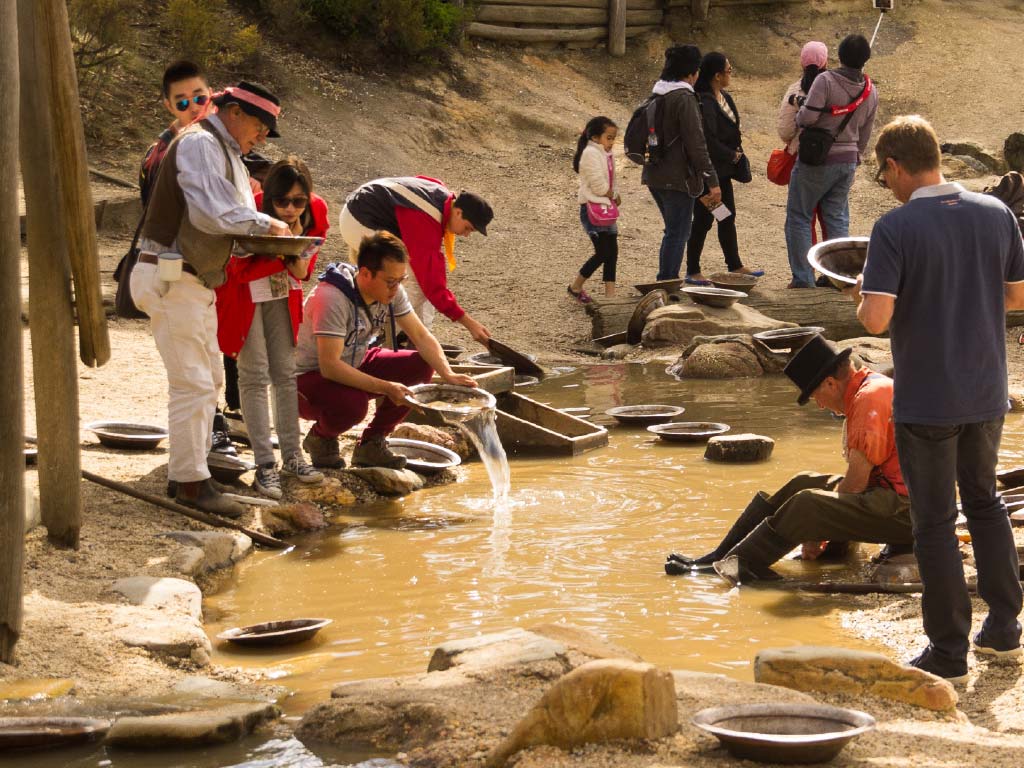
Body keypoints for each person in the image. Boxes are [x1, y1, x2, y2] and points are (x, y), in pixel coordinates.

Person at [854, 115, 1024, 682]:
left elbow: (875, 320)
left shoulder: (895, 227)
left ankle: (948, 652)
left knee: (933, 523)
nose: (887, 185)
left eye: (884, 176)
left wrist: (863, 296)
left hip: (928, 396)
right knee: (986, 504)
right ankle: (1004, 629)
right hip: (987, 389)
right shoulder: (997, 213)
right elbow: (1017, 297)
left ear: (895, 166)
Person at [131, 81, 290, 518]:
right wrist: (270, 226)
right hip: (171, 275)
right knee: (194, 383)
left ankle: (191, 472)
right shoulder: (201, 142)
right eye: (260, 126)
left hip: (194, 279)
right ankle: (190, 484)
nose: (262, 137)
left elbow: (226, 223)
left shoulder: (228, 153)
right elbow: (212, 214)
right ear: (234, 112)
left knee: (210, 380)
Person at [665, 335, 912, 583]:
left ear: (830, 383)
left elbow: (856, 484)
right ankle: (720, 557)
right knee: (802, 482)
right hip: (894, 498)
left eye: (815, 396)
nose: (820, 405)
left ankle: (741, 566)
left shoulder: (869, 397)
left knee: (808, 504)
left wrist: (817, 531)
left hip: (909, 514)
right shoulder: (869, 387)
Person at [294, 231, 479, 470]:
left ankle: (372, 443)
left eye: (401, 280)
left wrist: (448, 373)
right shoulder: (332, 298)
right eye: (390, 281)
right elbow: (330, 366)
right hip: (305, 379)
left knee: (421, 364)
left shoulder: (392, 291)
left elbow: (421, 335)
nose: (396, 288)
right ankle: (321, 438)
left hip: (354, 360)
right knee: (354, 404)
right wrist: (386, 387)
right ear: (365, 274)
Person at [215, 158, 327, 498]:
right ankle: (265, 462)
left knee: (284, 373)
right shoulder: (252, 210)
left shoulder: (315, 211)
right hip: (245, 296)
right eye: (282, 201)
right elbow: (236, 265)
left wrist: (289, 252)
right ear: (269, 197)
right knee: (253, 374)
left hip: (282, 293)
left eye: (298, 201)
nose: (290, 208)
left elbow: (304, 271)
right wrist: (278, 251)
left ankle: (292, 455)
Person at [337, 177, 494, 347]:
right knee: (416, 283)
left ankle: (416, 342)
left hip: (365, 207)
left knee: (416, 282)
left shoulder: (443, 196)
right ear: (458, 212)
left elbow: (420, 181)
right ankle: (379, 337)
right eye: (468, 227)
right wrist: (469, 323)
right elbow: (433, 286)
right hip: (359, 219)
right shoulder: (427, 220)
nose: (466, 234)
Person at [785, 34, 878, 288]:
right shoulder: (871, 90)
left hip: (817, 158)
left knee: (799, 215)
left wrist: (799, 113)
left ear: (840, 54)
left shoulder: (825, 80)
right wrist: (855, 157)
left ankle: (803, 279)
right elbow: (866, 133)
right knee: (836, 217)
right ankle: (837, 278)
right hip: (848, 159)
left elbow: (807, 119)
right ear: (866, 59)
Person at [641, 44, 721, 282]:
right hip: (678, 179)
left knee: (673, 230)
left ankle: (667, 280)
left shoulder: (657, 95)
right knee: (678, 232)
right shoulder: (684, 98)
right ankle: (667, 282)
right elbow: (697, 144)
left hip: (654, 174)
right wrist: (712, 180)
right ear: (692, 72)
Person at [685, 52, 763, 285]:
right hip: (708, 174)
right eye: (728, 71)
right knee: (703, 220)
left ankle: (734, 264)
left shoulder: (723, 97)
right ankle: (693, 270)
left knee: (726, 216)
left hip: (723, 173)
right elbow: (708, 140)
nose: (731, 74)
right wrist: (731, 155)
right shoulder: (705, 102)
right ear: (717, 76)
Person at [777, 41, 829, 250]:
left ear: (801, 63)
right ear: (826, 62)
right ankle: (834, 265)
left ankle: (807, 266)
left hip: (803, 159)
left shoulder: (795, 90)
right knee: (832, 218)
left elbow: (785, 131)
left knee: (803, 218)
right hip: (834, 159)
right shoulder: (836, 87)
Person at [568, 116, 620, 303]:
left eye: (613, 138)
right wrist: (613, 195)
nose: (611, 142)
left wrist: (613, 195)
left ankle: (610, 296)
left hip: (606, 208)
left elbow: (611, 180)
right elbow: (598, 185)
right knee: (603, 252)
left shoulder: (605, 154)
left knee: (612, 252)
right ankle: (575, 287)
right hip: (593, 209)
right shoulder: (590, 153)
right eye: (609, 138)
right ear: (596, 137)